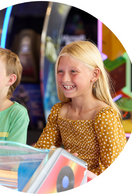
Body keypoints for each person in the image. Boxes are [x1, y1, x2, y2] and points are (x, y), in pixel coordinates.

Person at [34, 40, 127, 175]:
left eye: (73, 71)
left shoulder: (104, 115)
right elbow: (42, 151)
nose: (65, 79)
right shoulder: (58, 111)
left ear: (94, 75)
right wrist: (57, 158)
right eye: (60, 71)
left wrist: (76, 168)